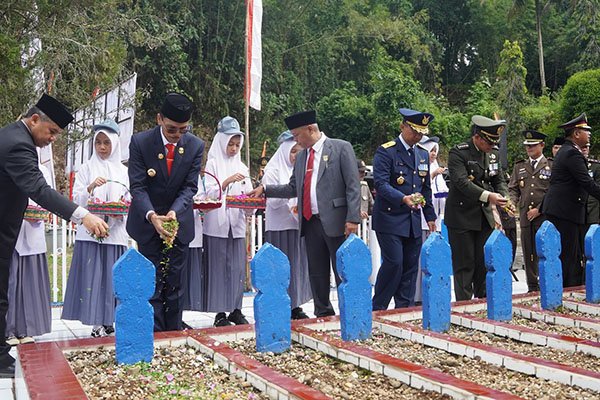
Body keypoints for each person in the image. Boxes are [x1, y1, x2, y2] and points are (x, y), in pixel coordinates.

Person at [0, 93, 108, 377]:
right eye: (52, 132)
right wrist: (83, 215)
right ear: (34, 119)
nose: (53, 139)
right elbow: (39, 190)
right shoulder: (17, 145)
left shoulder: (14, 136)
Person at [250, 110, 361, 317]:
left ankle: (350, 313)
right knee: (316, 272)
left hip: (336, 220)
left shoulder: (340, 148)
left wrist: (352, 218)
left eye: (298, 135)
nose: (296, 140)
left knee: (342, 270)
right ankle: (323, 312)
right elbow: (293, 188)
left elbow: (352, 186)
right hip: (310, 222)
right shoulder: (302, 157)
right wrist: (266, 189)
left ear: (311, 129)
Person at [126, 92, 205, 331]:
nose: (178, 136)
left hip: (177, 225)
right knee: (151, 282)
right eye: (172, 130)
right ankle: (154, 333)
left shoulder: (194, 145)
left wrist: (174, 213)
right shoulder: (140, 143)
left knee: (175, 283)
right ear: (159, 119)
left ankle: (174, 332)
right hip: (149, 225)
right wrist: (152, 216)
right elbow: (138, 186)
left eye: (183, 129)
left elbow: (190, 186)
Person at [62, 119, 129, 337]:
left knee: (111, 276)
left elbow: (129, 198)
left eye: (106, 143)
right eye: (98, 142)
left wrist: (119, 208)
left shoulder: (123, 171)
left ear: (115, 145)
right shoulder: (86, 168)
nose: (102, 147)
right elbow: (76, 198)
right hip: (90, 232)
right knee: (94, 277)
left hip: (115, 231)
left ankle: (110, 320)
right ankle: (95, 321)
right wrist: (91, 187)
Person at [371, 109, 436, 310]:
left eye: (421, 133)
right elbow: (381, 184)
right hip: (390, 218)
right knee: (394, 263)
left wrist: (430, 216)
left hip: (413, 220)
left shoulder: (423, 154)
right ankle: (379, 306)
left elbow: (425, 188)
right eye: (414, 131)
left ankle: (404, 308)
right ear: (402, 126)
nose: (417, 136)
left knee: (410, 267)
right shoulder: (387, 151)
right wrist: (403, 198)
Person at [445, 115, 510, 301]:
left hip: (484, 216)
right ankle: (464, 306)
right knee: (465, 266)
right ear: (478, 137)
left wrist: (504, 196)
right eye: (489, 142)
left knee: (483, 264)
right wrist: (488, 196)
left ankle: (483, 302)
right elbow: (461, 183)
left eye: (494, 143)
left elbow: (498, 179)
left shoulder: (492, 154)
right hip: (461, 217)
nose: (491, 146)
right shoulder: (459, 153)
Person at [203, 116, 254, 327]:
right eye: (230, 144)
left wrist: (250, 204)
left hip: (237, 223)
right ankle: (219, 312)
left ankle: (236, 308)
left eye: (236, 144)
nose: (233, 148)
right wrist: (225, 183)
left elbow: (248, 193)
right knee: (217, 267)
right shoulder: (213, 163)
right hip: (217, 224)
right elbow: (208, 192)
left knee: (236, 268)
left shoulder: (241, 166)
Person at [542, 113, 600, 287]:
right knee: (568, 256)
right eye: (585, 131)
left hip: (564, 211)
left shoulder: (567, 151)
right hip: (565, 212)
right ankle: (567, 291)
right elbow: (587, 183)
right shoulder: (572, 154)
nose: (589, 134)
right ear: (576, 133)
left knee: (570, 255)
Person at [262, 130, 312, 319]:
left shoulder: (302, 170)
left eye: (299, 152)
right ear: (284, 151)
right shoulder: (273, 170)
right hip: (279, 226)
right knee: (280, 267)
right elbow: (273, 202)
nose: (296, 156)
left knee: (297, 265)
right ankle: (279, 303)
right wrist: (292, 199)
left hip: (297, 225)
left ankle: (295, 304)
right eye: (293, 152)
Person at [6, 162, 53, 345]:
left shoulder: (43, 170)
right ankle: (7, 329)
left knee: (29, 279)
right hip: (11, 228)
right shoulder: (8, 164)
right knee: (10, 280)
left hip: (33, 229)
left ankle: (26, 328)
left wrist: (41, 213)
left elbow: (49, 196)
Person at [508, 130, 552, 292]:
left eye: (533, 145)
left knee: (545, 249)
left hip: (545, 217)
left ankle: (546, 283)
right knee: (528, 251)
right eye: (527, 146)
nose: (529, 149)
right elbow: (513, 188)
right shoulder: (520, 166)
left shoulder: (551, 165)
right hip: (526, 216)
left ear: (542, 145)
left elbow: (553, 192)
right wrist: (511, 203)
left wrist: (539, 210)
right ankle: (532, 285)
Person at [415, 135, 447, 303]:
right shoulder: (421, 165)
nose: (433, 154)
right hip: (423, 217)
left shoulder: (436, 167)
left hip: (437, 217)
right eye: (430, 151)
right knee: (422, 256)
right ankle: (418, 295)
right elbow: (422, 187)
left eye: (435, 151)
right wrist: (433, 174)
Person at [581, 144, 600, 227]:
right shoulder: (570, 165)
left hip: (591, 211)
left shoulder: (596, 166)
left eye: (587, 147)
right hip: (574, 210)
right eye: (582, 147)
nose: (584, 149)